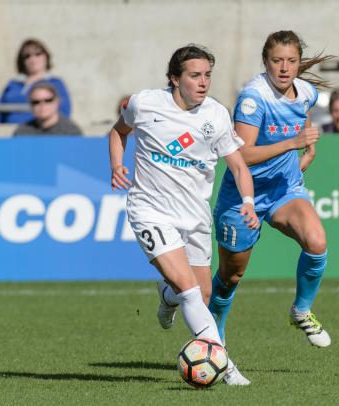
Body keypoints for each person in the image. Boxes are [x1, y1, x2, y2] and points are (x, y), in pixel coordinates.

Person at [108, 44, 258, 386]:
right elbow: (118, 132)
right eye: (195, 75)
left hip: (194, 216)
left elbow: (237, 165)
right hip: (150, 210)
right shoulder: (144, 104)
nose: (203, 82)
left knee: (201, 294)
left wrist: (247, 201)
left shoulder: (217, 115)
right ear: (175, 79)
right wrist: (117, 164)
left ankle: (166, 297)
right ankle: (225, 366)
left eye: (207, 75)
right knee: (190, 291)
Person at [209, 30, 334, 381]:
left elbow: (302, 120)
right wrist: (293, 142)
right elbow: (242, 155)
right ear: (265, 62)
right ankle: (214, 338)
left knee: (317, 242)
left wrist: (307, 149)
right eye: (277, 61)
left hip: (284, 190)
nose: (284, 68)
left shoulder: (306, 92)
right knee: (231, 276)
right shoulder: (253, 99)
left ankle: (301, 310)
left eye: (291, 61)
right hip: (243, 197)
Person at [0, 38, 72, 124]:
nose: (33, 59)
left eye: (37, 54)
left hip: (39, 132)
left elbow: (64, 112)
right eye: (27, 56)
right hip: (9, 131)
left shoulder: (55, 83)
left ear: (46, 56)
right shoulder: (13, 84)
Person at [13, 81, 82, 136]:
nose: (42, 105)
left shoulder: (71, 132)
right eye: (36, 102)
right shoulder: (22, 133)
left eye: (48, 100)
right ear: (30, 105)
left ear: (57, 101)